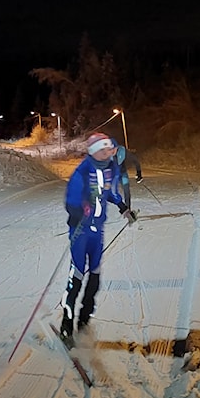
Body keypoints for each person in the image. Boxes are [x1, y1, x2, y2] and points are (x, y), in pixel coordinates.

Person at [59, 132, 138, 341]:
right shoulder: (83, 172)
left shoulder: (109, 169)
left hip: (97, 231)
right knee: (77, 274)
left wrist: (123, 208)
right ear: (94, 151)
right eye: (103, 149)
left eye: (108, 149)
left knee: (95, 275)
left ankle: (84, 318)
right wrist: (79, 211)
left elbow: (109, 193)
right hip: (80, 232)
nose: (107, 152)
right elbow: (71, 200)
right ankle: (67, 321)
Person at [112, 140, 143, 210]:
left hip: (122, 173)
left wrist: (139, 174)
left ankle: (128, 209)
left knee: (126, 190)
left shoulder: (123, 152)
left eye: (114, 148)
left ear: (117, 148)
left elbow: (136, 161)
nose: (112, 151)